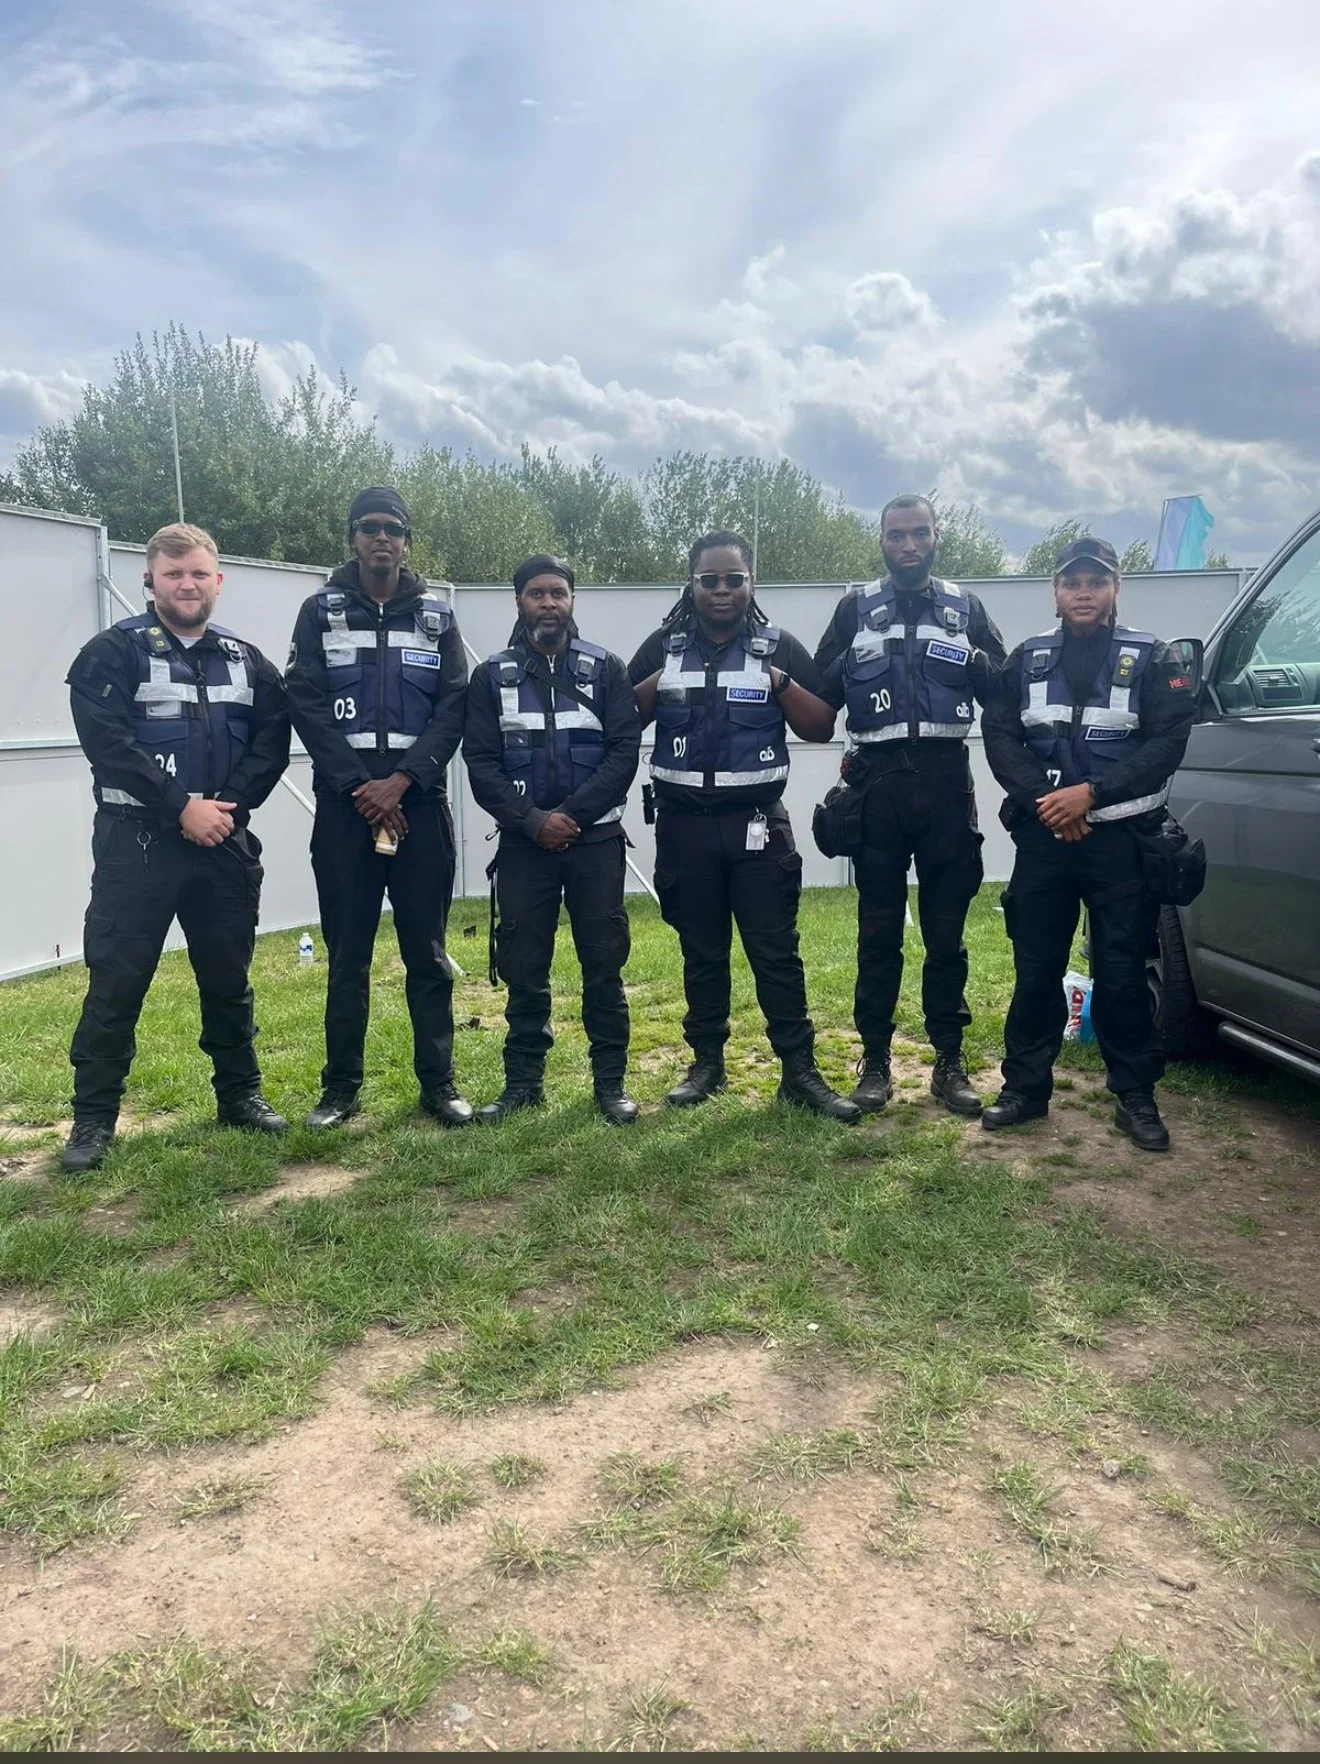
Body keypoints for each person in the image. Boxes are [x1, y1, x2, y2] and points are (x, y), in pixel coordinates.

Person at [61, 523, 291, 1174]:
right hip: (137, 842)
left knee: (228, 978)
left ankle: (240, 1096)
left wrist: (225, 810)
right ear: (149, 580)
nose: (186, 585)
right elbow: (109, 745)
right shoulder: (112, 653)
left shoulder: (247, 660)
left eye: (197, 574)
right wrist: (180, 807)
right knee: (117, 980)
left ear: (218, 581)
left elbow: (271, 743)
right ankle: (93, 1119)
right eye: (173, 574)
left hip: (222, 841)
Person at [629, 532, 859, 1122]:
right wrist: (660, 678)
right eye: (709, 580)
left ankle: (799, 1072)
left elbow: (820, 726)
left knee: (776, 952)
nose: (722, 590)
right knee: (702, 952)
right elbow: (620, 718)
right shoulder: (664, 646)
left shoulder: (779, 646)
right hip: (684, 828)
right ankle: (707, 1065)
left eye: (734, 579)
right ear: (691, 584)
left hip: (758, 827)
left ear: (751, 583)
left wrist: (779, 681)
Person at [981, 537, 1198, 1150]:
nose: (1083, 592)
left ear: (1115, 589)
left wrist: (1092, 795)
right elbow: (1000, 736)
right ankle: (1025, 1090)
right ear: (1055, 591)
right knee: (1036, 971)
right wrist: (1049, 803)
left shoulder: (1152, 657)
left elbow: (1168, 742)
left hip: (1122, 842)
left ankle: (1135, 1096)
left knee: (1123, 974)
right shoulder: (1026, 658)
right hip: (1046, 841)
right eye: (1072, 582)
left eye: (1096, 582)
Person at [285, 487, 472, 1129]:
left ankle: (439, 1085)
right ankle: (340, 1089)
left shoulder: (438, 618)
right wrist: (361, 786)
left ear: (407, 542)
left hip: (419, 807)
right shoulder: (319, 612)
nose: (381, 537)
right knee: (348, 957)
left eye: (393, 528)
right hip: (347, 811)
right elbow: (305, 702)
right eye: (369, 527)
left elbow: (454, 706)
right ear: (353, 538)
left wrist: (402, 781)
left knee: (429, 954)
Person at [815, 494, 1005, 1116]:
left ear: (936, 537)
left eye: (919, 533)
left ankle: (949, 1061)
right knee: (878, 932)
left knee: (946, 935)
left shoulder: (965, 607)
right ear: (881, 540)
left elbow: (1003, 690)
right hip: (878, 785)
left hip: (947, 783)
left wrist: (977, 663)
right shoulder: (854, 609)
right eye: (897, 535)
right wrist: (845, 664)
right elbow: (817, 693)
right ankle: (875, 1061)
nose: (908, 545)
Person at [463, 556, 642, 1125]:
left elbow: (624, 752)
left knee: (604, 964)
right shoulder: (490, 677)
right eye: (536, 593)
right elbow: (480, 762)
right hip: (524, 845)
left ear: (571, 601)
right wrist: (533, 821)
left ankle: (610, 1083)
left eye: (557, 593)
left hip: (596, 842)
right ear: (519, 601)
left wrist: (571, 816)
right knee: (523, 964)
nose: (548, 603)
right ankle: (523, 1084)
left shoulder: (606, 668)